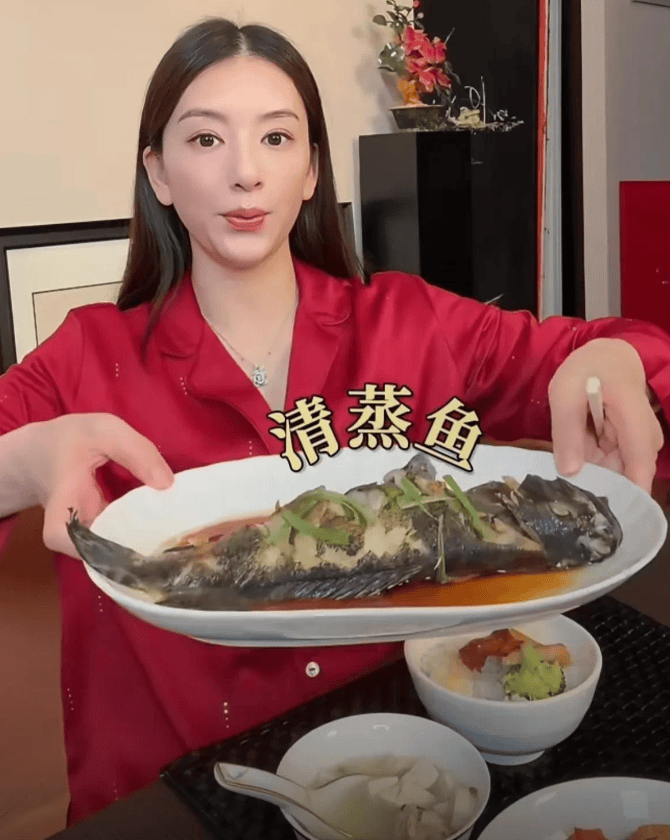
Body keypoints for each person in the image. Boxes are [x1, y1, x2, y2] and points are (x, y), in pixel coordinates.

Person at [0, 16, 668, 825]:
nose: (245, 173)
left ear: (313, 168)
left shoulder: (411, 322)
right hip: (173, 795)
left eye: (276, 138)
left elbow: (599, 354)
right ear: (159, 173)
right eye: (206, 140)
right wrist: (24, 463)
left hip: (402, 778)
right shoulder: (84, 358)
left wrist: (617, 359)